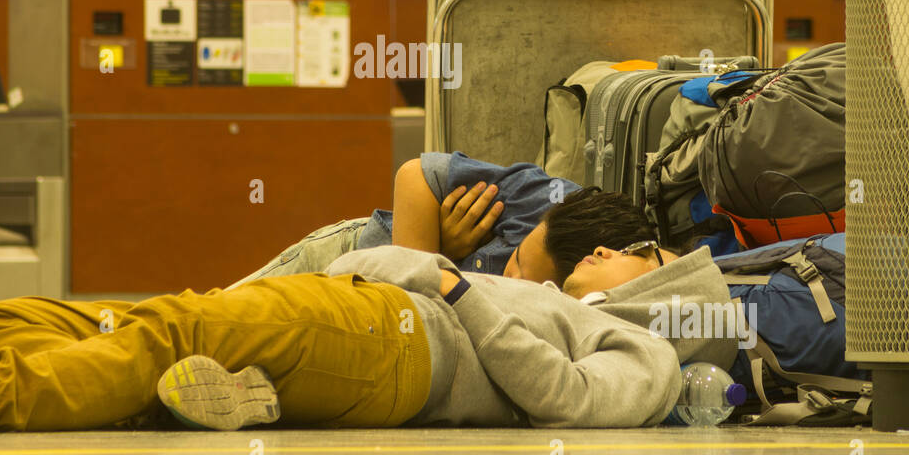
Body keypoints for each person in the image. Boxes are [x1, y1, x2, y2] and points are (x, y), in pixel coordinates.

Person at [0, 237, 739, 434]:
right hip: (356, 315)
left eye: (641, 252)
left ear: (665, 291)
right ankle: (185, 401)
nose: (611, 248)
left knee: (174, 327)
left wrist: (457, 287)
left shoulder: (647, 350)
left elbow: (568, 403)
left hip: (402, 341)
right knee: (31, 315)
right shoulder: (543, 292)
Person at [230, 151, 657, 290]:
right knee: (217, 316)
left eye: (525, 274)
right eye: (519, 258)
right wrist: (423, 272)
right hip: (352, 254)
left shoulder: (602, 283)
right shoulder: (538, 199)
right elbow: (415, 175)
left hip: (362, 311)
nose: (510, 272)